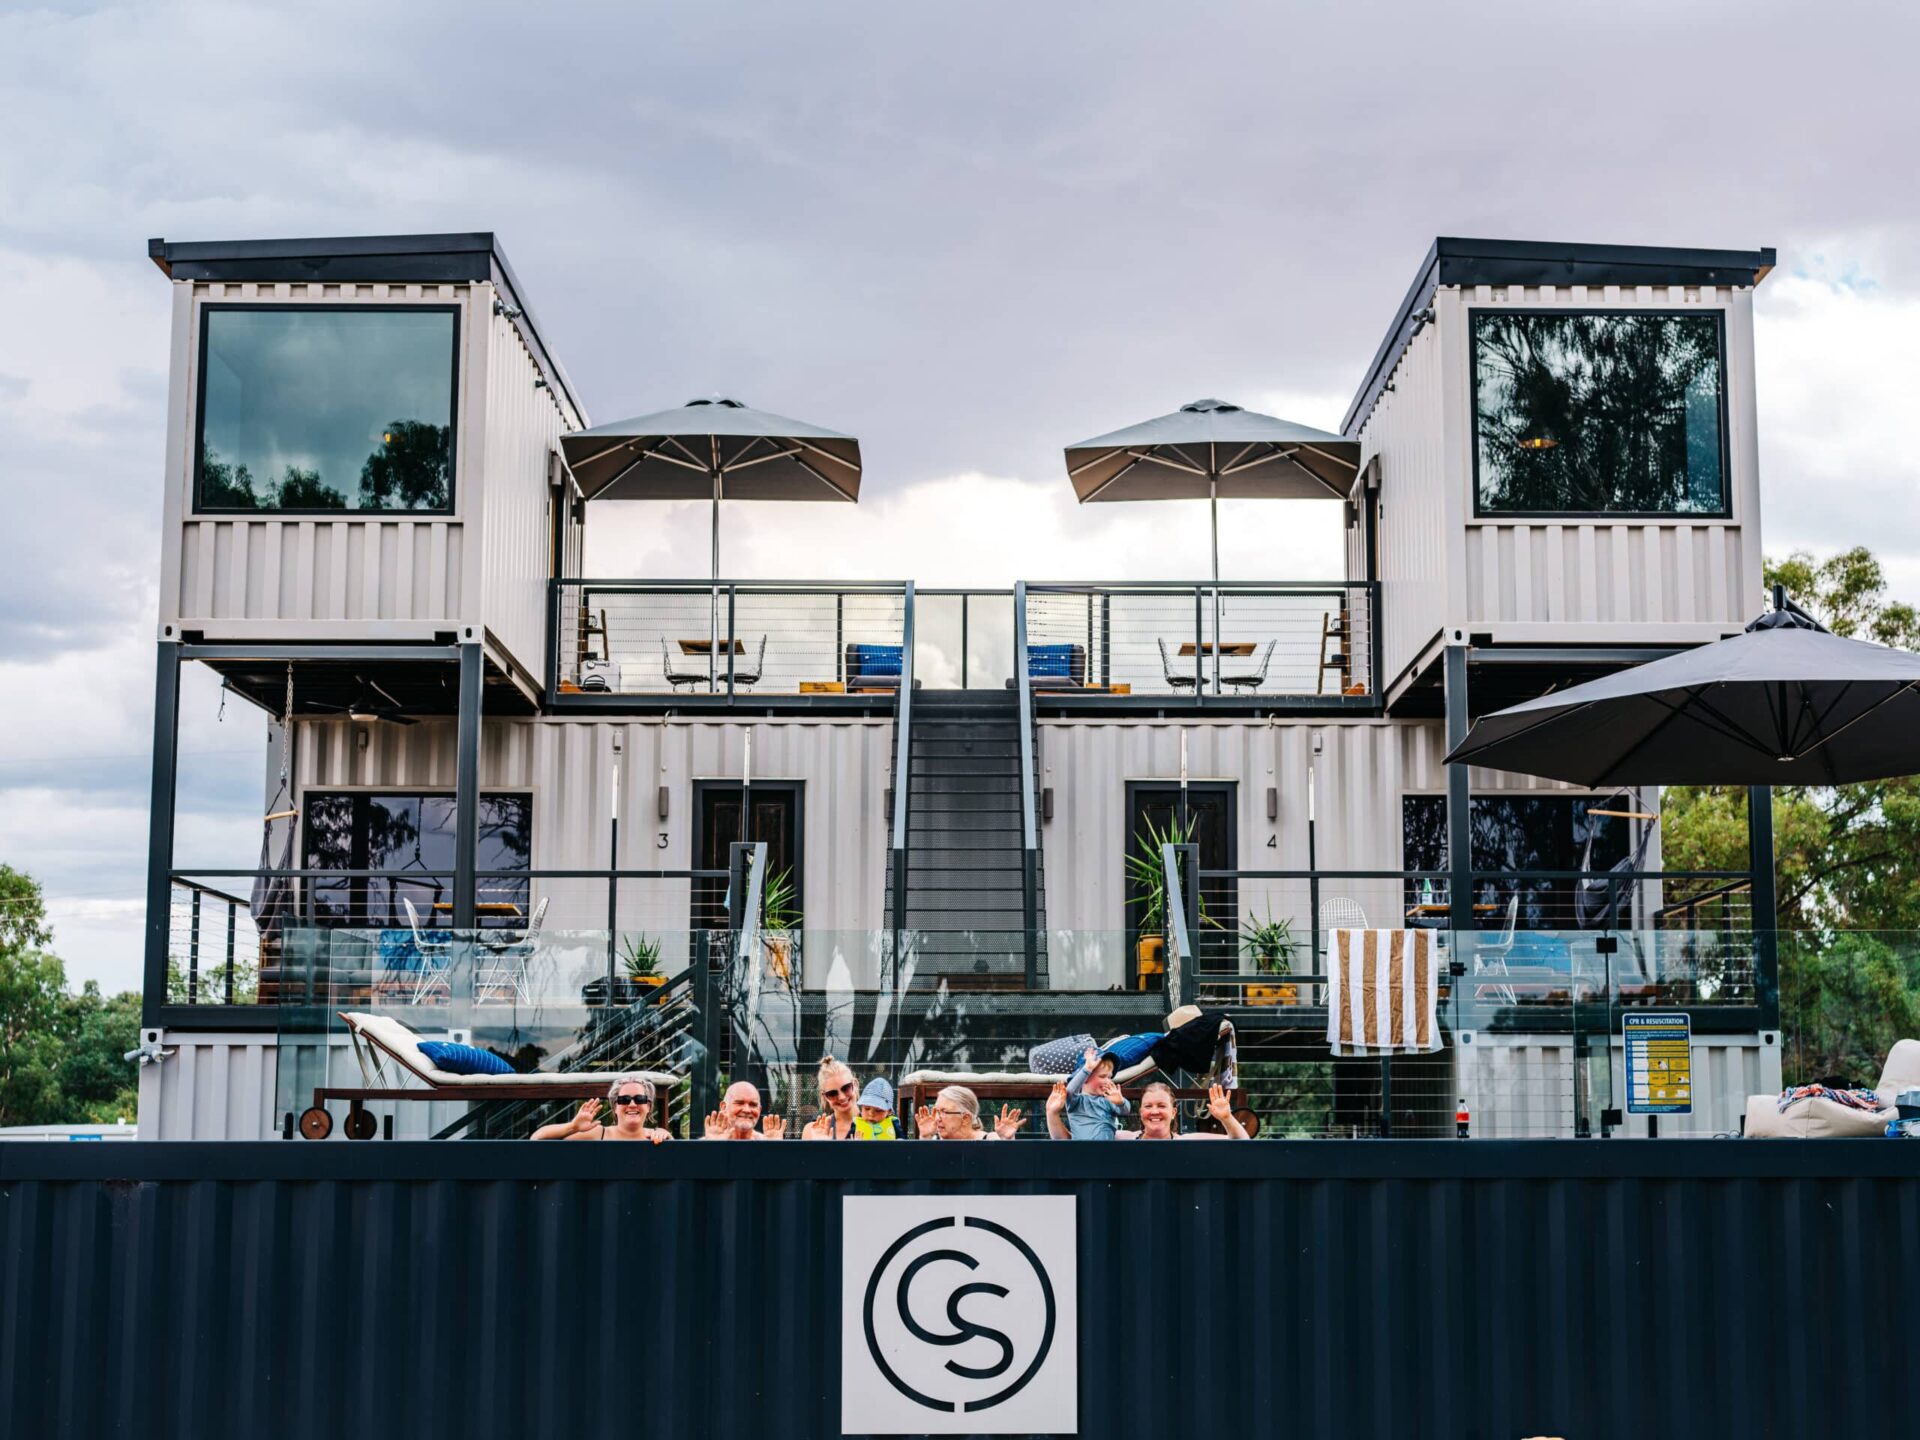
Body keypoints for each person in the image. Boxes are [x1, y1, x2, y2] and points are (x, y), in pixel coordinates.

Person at [1047, 1079, 1248, 1139]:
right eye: (1148, 1106)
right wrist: (1052, 1113)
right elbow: (1070, 1143)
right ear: (1141, 1112)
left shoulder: (1187, 1142)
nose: (1154, 1111)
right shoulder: (1122, 1138)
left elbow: (1242, 1142)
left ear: (1173, 1112)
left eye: (1161, 1106)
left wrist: (1226, 1118)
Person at [532, 1075, 672, 1143]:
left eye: (639, 1099)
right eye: (624, 1100)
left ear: (648, 1106)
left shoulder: (657, 1136)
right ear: (615, 1107)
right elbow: (537, 1138)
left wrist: (667, 1136)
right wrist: (573, 1126)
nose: (632, 1104)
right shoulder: (599, 1133)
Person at [1061, 1044, 1131, 1139]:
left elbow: (1125, 1111)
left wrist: (1121, 1102)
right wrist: (1087, 1069)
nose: (1108, 1081)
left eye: (1110, 1077)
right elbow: (1069, 1091)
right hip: (1082, 1152)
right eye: (1102, 1076)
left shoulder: (1109, 1101)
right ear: (1085, 1078)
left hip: (1106, 1151)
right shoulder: (1076, 1101)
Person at [914, 1084, 1022, 1140]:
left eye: (944, 1112)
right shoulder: (933, 1141)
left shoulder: (989, 1140)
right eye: (937, 1111)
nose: (937, 1119)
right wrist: (925, 1138)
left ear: (965, 1118)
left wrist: (1006, 1141)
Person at [802, 1054, 862, 1140]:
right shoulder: (812, 1130)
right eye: (832, 1093)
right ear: (825, 1096)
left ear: (854, 1084)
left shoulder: (877, 1125)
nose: (841, 1097)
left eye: (846, 1088)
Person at [703, 1080, 786, 1139]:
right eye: (739, 1103)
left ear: (759, 1110)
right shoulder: (709, 1140)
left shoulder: (766, 1142)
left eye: (753, 1105)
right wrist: (712, 1146)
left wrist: (775, 1149)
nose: (747, 1110)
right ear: (723, 1107)